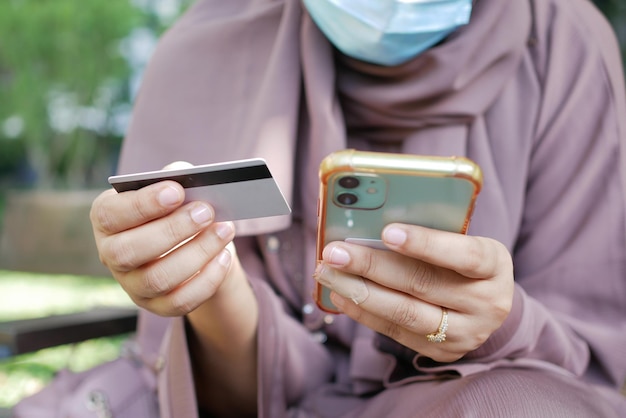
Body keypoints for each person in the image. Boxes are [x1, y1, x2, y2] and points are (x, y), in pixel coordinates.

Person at [87, 0, 626, 416]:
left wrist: (503, 324)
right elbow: (218, 396)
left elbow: (591, 358)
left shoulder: (566, 44)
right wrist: (205, 284)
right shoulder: (204, 51)